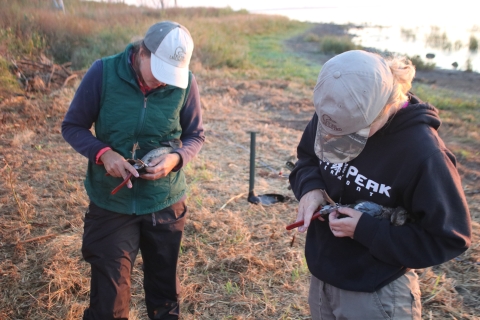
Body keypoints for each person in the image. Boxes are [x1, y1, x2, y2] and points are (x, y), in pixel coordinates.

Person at [289, 50, 471, 319]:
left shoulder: (423, 154)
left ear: (387, 106)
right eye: (334, 134)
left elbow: (449, 238)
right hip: (322, 278)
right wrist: (310, 188)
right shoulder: (337, 113)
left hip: (377, 291)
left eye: (354, 134)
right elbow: (306, 158)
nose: (339, 140)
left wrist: (367, 230)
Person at [62, 21, 205, 320]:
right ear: (142, 53)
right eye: (159, 73)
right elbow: (73, 126)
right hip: (112, 203)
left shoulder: (185, 83)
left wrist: (176, 159)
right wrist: (104, 154)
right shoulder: (103, 73)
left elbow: (195, 135)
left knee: (165, 295)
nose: (163, 83)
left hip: (164, 202)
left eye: (171, 76)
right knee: (109, 301)